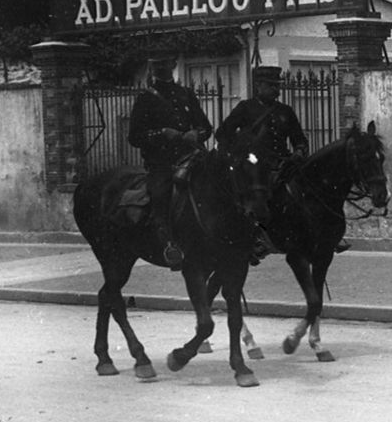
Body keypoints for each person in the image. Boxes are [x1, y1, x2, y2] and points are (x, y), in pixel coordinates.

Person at [218, 66, 332, 257]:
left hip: (282, 163)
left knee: (311, 187)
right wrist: (242, 148)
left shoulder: (285, 111)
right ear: (258, 86)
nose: (276, 90)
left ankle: (318, 232)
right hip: (253, 164)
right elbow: (223, 134)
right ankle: (254, 239)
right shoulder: (245, 108)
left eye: (277, 86)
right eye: (270, 86)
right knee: (255, 196)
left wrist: (299, 151)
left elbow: (299, 139)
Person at [126, 57, 212, 270]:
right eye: (156, 65)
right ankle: (169, 244)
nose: (161, 69)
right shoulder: (146, 98)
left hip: (191, 158)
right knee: (160, 194)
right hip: (161, 162)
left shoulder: (186, 94)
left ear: (173, 65)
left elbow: (206, 127)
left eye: (165, 64)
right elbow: (135, 137)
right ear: (152, 68)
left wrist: (196, 133)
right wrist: (162, 133)